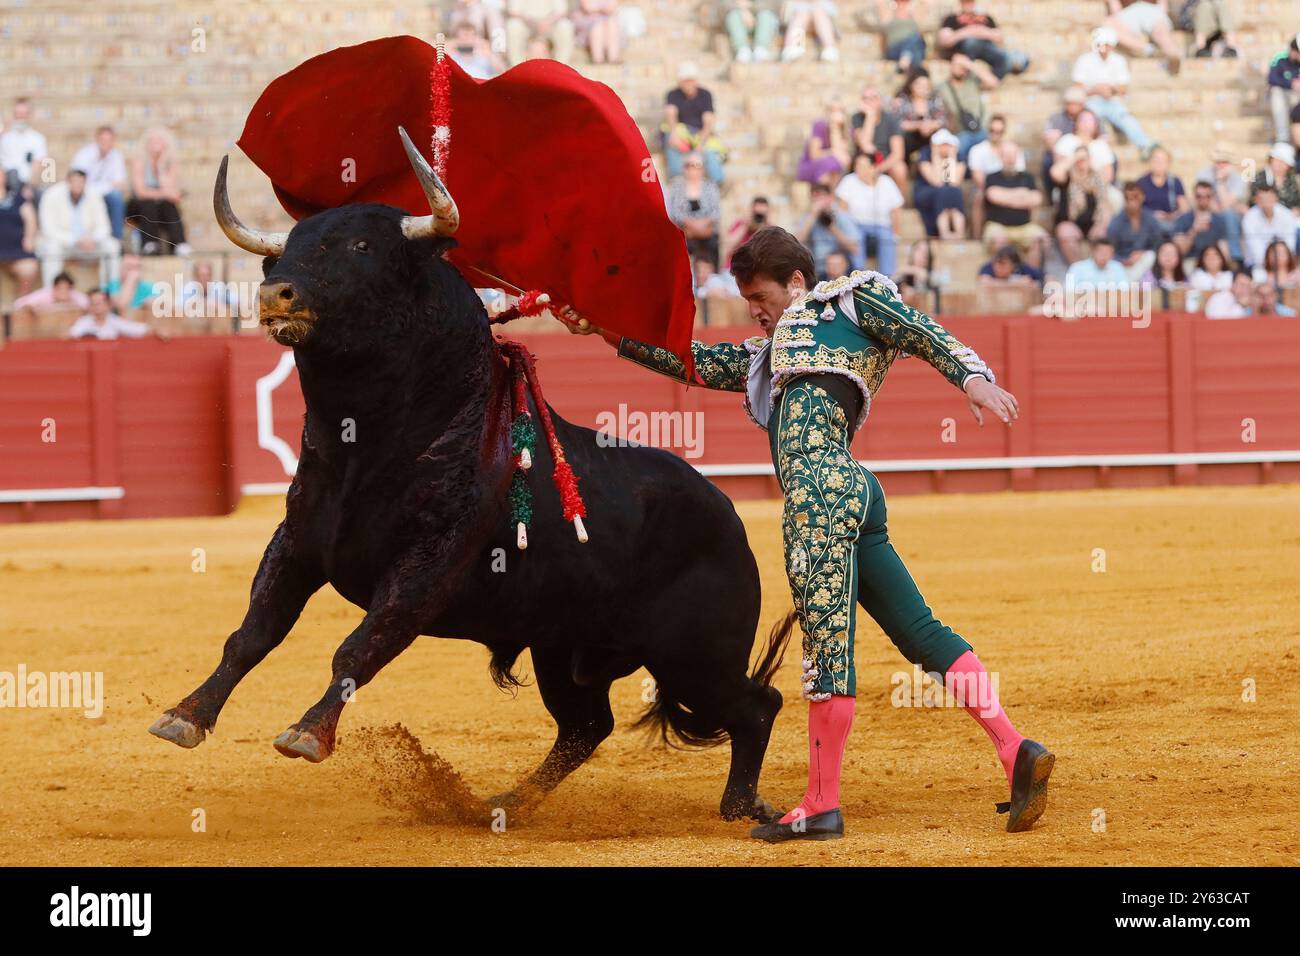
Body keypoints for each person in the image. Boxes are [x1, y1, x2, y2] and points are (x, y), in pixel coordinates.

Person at [561, 225, 1049, 842]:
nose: (756, 312)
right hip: (853, 493)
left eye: (760, 296)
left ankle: (821, 803)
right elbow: (687, 359)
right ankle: (1015, 749)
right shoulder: (768, 354)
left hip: (820, 497)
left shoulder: (849, 300)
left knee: (827, 652)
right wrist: (603, 327)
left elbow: (920, 330)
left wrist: (971, 377)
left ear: (796, 281)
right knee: (920, 631)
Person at [1073, 27, 1157, 160]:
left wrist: (1110, 90)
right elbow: (1077, 88)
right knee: (1091, 120)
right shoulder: (1085, 60)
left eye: (1107, 45)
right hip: (1091, 102)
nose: (1104, 48)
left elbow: (1124, 87)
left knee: (1126, 118)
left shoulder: (1119, 60)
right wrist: (1095, 90)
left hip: (1113, 102)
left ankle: (1144, 145)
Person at [36, 168, 118, 287]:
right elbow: (48, 230)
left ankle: (110, 288)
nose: (77, 185)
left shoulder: (94, 195)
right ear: (67, 182)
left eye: (81, 182)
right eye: (74, 181)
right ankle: (51, 291)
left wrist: (92, 239)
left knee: (112, 246)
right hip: (64, 245)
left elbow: (104, 227)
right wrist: (75, 240)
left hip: (89, 245)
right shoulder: (51, 195)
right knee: (51, 248)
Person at [835, 150, 904, 276]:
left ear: (873, 167)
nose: (858, 169)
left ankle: (887, 278)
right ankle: (857, 274)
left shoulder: (887, 182)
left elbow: (896, 211)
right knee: (856, 237)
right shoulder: (849, 181)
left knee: (888, 238)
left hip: (882, 226)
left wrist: (896, 234)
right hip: (856, 225)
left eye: (862, 165)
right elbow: (842, 212)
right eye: (857, 165)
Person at [982, 142, 1047, 268]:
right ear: (1000, 156)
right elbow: (993, 196)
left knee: (1040, 239)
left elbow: (1036, 199)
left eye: (1013, 154)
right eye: (1007, 155)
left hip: (1024, 227)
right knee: (999, 240)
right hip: (998, 226)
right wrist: (1022, 195)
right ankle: (1004, 278)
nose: (1010, 158)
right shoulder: (992, 177)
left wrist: (1006, 197)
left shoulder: (1027, 177)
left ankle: (1031, 276)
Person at [126, 127, 189, 256]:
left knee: (169, 205)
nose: (155, 144)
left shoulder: (169, 163)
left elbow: (172, 192)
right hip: (138, 207)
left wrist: (160, 166)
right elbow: (140, 192)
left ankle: (180, 243)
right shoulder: (139, 161)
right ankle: (149, 243)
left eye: (159, 141)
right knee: (149, 203)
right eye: (152, 141)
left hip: (161, 207)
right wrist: (164, 194)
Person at [662, 62, 726, 183]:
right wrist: (674, 134)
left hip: (700, 134)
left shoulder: (705, 95)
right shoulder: (673, 95)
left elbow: (708, 120)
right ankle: (677, 178)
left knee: (711, 153)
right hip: (682, 133)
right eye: (685, 80)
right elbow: (671, 114)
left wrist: (701, 142)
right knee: (671, 140)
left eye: (690, 80)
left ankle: (716, 182)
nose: (688, 84)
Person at [936, 0, 1029, 81]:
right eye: (965, 1)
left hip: (987, 48)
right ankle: (990, 78)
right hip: (967, 48)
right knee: (971, 42)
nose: (968, 4)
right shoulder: (952, 19)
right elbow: (944, 41)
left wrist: (978, 31)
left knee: (1020, 58)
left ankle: (995, 77)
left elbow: (999, 37)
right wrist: (967, 31)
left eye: (970, 1)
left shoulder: (985, 18)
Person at [1052, 146, 1113, 264]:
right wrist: (1075, 157)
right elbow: (1055, 172)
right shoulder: (1068, 178)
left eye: (1084, 158)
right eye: (1079, 159)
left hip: (1093, 223)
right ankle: (1077, 270)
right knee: (1066, 234)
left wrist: (1101, 225)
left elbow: (1105, 205)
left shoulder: (1097, 179)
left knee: (1102, 235)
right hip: (1071, 223)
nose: (1081, 162)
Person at [71, 126, 128, 241]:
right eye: (103, 140)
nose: (106, 143)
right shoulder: (84, 155)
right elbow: (77, 180)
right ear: (97, 140)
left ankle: (117, 240)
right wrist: (102, 188)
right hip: (86, 192)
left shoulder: (116, 156)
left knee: (116, 197)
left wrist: (101, 189)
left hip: (106, 194)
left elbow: (119, 183)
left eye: (109, 140)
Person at [937, 52, 996, 163]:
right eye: (956, 64)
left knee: (988, 159)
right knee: (951, 160)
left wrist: (969, 64)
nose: (960, 68)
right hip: (958, 133)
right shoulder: (942, 87)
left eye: (962, 66)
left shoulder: (972, 82)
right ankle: (951, 178)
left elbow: (993, 82)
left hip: (980, 129)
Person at [666, 152, 722, 268]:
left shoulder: (711, 187)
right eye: (688, 165)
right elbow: (675, 212)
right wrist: (695, 226)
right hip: (686, 235)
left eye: (696, 165)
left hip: (706, 234)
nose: (692, 169)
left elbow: (715, 212)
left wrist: (697, 227)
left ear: (703, 168)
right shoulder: (677, 187)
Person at [794, 182, 863, 275]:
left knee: (835, 261)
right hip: (817, 265)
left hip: (841, 265)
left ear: (830, 198)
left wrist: (831, 226)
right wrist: (813, 216)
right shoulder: (808, 218)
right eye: (815, 199)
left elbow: (855, 248)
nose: (818, 203)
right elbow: (797, 243)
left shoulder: (841, 216)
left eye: (821, 198)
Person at [1197, 147, 1249, 263]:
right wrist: (1230, 205)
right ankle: (1234, 255)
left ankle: (1235, 256)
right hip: (1210, 214)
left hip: (1231, 218)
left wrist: (1220, 182)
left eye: (1224, 162)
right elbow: (1207, 202)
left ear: (1230, 164)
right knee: (1227, 215)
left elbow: (1225, 205)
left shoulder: (1238, 179)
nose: (1220, 166)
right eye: (1218, 162)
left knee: (1229, 216)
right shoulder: (1204, 174)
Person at [850, 86, 907, 191]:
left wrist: (878, 169)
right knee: (866, 156)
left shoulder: (892, 119)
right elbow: (864, 145)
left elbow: (897, 154)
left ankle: (900, 204)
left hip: (885, 161)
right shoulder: (857, 118)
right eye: (865, 98)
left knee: (900, 168)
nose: (869, 101)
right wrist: (870, 116)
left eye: (873, 97)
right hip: (865, 160)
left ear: (880, 101)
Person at [913, 128, 966, 239]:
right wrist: (935, 156)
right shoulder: (925, 154)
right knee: (943, 193)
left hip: (949, 193)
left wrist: (951, 158)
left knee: (953, 192)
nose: (945, 147)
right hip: (928, 192)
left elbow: (953, 182)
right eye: (942, 144)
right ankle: (945, 233)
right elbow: (936, 181)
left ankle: (959, 233)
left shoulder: (958, 157)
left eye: (947, 144)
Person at [1103, 0, 1181, 75]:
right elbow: (1116, 10)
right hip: (1128, 13)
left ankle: (1172, 56)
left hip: (1152, 10)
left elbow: (1163, 6)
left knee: (1161, 33)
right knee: (1108, 25)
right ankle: (1151, 50)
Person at [1107, 180, 1164, 281]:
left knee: (1150, 256)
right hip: (1122, 266)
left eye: (1135, 196)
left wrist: (1142, 253)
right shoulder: (1116, 222)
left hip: (1144, 264)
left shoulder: (1150, 219)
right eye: (1127, 197)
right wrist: (1124, 261)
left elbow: (1158, 245)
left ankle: (1128, 284)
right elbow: (1110, 250)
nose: (1131, 200)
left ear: (1142, 197)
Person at [892, 69, 948, 162]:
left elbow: (943, 120)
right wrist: (919, 125)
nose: (923, 88)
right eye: (919, 85)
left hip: (931, 138)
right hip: (910, 139)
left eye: (926, 85)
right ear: (911, 85)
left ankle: (943, 172)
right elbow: (897, 123)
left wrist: (931, 125)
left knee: (942, 139)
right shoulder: (902, 100)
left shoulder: (935, 99)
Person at [1241, 183, 1297, 273]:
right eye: (1262, 199)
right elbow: (1254, 248)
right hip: (1257, 265)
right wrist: (1270, 262)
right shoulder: (1249, 218)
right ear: (1256, 200)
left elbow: (1290, 244)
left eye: (1269, 198)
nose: (1266, 201)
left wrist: (1281, 261)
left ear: (1276, 198)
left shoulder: (1286, 215)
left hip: (1284, 264)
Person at [1172, 179, 1230, 263]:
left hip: (1211, 261)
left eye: (1207, 196)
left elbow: (1223, 248)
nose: (1203, 199)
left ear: (1212, 197)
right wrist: (1194, 231)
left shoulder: (1219, 220)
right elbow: (1180, 252)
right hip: (1190, 260)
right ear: (1194, 197)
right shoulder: (1183, 219)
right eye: (1199, 196)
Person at [797, 99, 852, 185]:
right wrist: (833, 151)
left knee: (840, 162)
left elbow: (842, 155)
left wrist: (835, 128)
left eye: (839, 110)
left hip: (832, 167)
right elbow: (814, 155)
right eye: (832, 110)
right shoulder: (819, 126)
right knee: (835, 163)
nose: (836, 114)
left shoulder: (846, 129)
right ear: (827, 112)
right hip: (812, 165)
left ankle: (834, 194)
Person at [0, 170, 38, 297]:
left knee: (29, 268)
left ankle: (20, 304)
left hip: (16, 249)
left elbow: (30, 218)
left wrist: (29, 238)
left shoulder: (16, 197)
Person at [0, 97, 47, 195]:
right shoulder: (5, 139)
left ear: (30, 115)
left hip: (27, 186)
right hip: (7, 185)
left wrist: (29, 187)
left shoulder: (37, 139)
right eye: (18, 114)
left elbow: (37, 167)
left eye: (24, 114)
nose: (21, 117)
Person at [1137, 146, 1187, 236]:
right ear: (1150, 161)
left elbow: (1184, 208)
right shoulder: (1141, 182)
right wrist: (1151, 215)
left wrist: (1171, 216)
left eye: (1162, 160)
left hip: (1171, 225)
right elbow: (1135, 207)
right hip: (1148, 225)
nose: (1158, 163)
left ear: (1168, 163)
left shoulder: (1175, 182)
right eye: (1156, 159)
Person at [504, 0, 574, 65]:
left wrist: (548, 21)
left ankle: (561, 67)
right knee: (513, 25)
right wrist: (532, 21)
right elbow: (513, 10)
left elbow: (561, 10)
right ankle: (516, 67)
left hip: (550, 23)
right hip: (526, 22)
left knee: (565, 25)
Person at [66, 287, 152, 339]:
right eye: (93, 303)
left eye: (99, 303)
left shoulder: (114, 321)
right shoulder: (84, 322)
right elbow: (72, 334)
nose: (96, 306)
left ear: (108, 304)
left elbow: (139, 329)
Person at [1266, 35, 1300, 145]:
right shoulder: (1280, 59)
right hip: (1287, 95)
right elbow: (1272, 79)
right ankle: (1283, 137)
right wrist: (1291, 83)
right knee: (1276, 93)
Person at [876, 0, 927, 73]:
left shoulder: (914, 13)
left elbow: (925, 5)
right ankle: (908, 61)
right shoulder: (889, 13)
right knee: (915, 40)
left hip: (913, 46)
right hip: (894, 49)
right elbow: (879, 3)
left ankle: (905, 60)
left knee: (916, 41)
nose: (902, 3)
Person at [1065, 236, 1130, 292]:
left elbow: (1126, 289)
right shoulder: (1077, 267)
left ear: (1112, 254)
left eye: (1108, 253)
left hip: (1111, 304)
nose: (1104, 256)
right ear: (1093, 252)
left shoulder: (1117, 267)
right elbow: (1068, 290)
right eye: (1101, 252)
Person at [1250, 142, 1300, 212]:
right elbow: (1258, 201)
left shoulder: (1291, 179)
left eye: (1283, 162)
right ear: (1271, 160)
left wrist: (1297, 210)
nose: (1279, 164)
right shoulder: (1260, 178)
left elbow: (1296, 201)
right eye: (1277, 160)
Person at [723, 195, 771, 268]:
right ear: (751, 211)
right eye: (756, 213)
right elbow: (728, 248)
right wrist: (745, 226)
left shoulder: (770, 229)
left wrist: (763, 228)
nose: (758, 217)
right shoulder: (740, 224)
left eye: (761, 215)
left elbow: (767, 254)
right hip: (734, 268)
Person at [572, 0, 621, 64]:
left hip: (605, 22)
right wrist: (602, 9)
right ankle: (598, 58)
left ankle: (613, 57)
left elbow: (612, 8)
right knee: (598, 26)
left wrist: (598, 9)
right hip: (588, 21)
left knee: (612, 24)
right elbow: (587, 8)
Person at [979, 244, 1043, 285]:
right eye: (996, 263)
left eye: (1003, 264)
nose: (997, 267)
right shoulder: (988, 267)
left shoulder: (1022, 268)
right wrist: (1015, 283)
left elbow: (1044, 277)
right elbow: (984, 282)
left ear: (1013, 266)